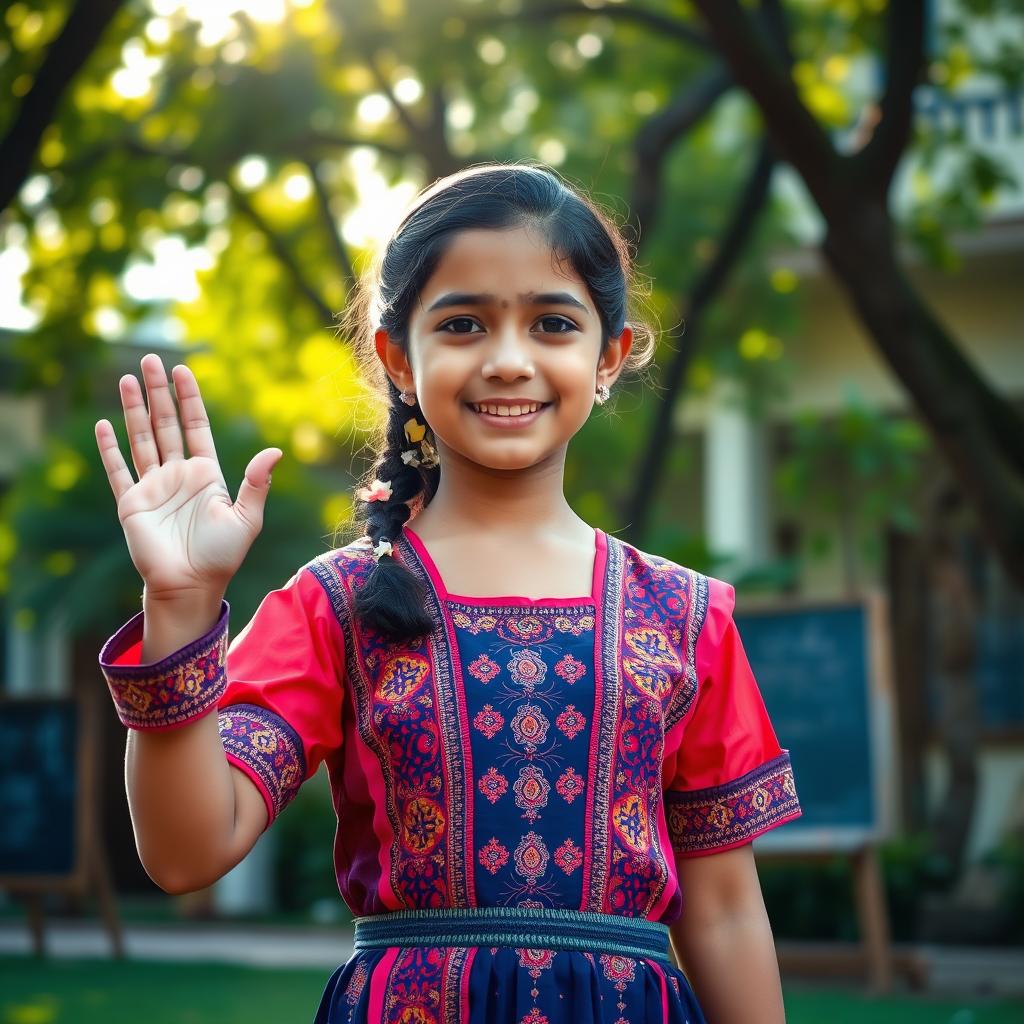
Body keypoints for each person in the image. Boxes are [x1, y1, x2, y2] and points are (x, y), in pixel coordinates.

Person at [95, 162, 802, 1024]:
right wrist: (178, 605)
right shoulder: (340, 603)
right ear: (399, 357)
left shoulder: (687, 619)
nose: (509, 361)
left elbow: (725, 910)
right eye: (463, 323)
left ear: (609, 357)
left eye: (552, 323)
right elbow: (184, 852)